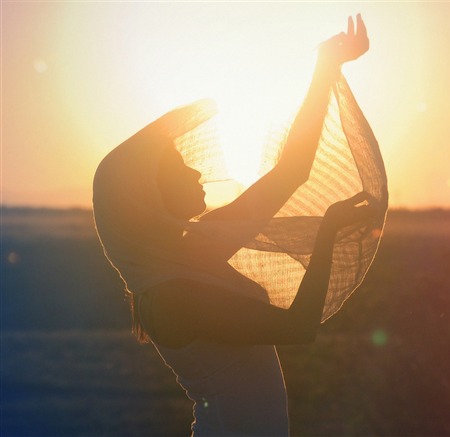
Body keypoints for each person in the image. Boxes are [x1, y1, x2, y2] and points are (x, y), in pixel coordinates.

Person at [93, 14, 387, 436]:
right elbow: (297, 327)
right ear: (147, 197)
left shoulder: (192, 250)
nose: (196, 172)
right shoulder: (171, 295)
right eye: (178, 169)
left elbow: (291, 171)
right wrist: (327, 232)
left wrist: (326, 68)